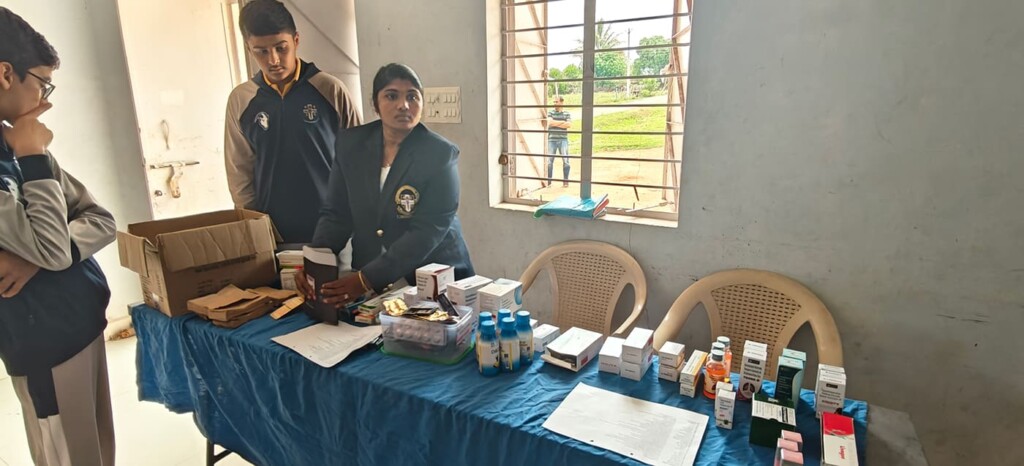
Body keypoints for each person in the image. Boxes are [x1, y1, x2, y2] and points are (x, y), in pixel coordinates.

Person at [0, 7, 117, 465]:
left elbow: (100, 218)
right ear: (6, 73)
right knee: (68, 456)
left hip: (82, 321)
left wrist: (36, 258)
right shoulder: (25, 148)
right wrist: (32, 151)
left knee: (98, 452)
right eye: (42, 83)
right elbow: (53, 243)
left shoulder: (15, 145)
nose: (45, 99)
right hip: (43, 339)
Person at [296, 63, 474, 306]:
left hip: (432, 279)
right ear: (375, 104)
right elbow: (336, 214)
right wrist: (315, 266)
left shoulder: (440, 155)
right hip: (372, 278)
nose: (404, 105)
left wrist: (365, 280)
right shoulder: (351, 146)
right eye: (392, 96)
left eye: (413, 96)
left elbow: (426, 232)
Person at [224, 0, 362, 245]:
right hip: (275, 235)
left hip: (335, 232)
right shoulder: (241, 100)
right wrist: (254, 228)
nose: (273, 60)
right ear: (248, 48)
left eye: (281, 47)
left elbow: (360, 160)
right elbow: (240, 173)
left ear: (296, 40)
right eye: (262, 51)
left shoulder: (329, 90)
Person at [544, 95, 571, 187]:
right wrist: (562, 123)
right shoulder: (550, 112)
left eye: (556, 102)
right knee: (549, 161)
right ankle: (549, 182)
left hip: (563, 140)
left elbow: (568, 125)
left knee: (566, 161)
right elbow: (550, 122)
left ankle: (565, 181)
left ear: (562, 102)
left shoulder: (567, 113)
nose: (554, 103)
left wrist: (555, 123)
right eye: (554, 102)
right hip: (552, 139)